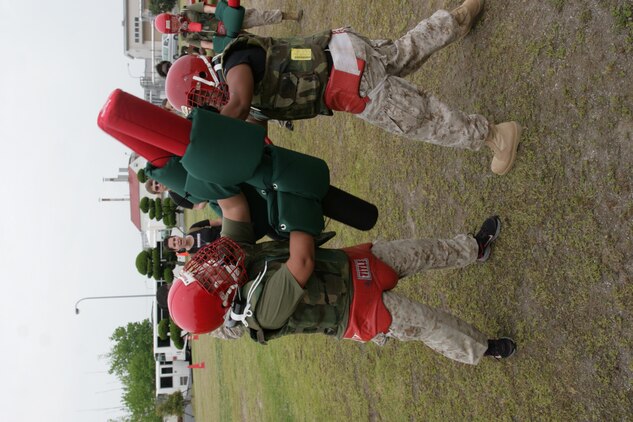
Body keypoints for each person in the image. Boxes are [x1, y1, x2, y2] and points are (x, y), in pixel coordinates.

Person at [167, 0, 519, 175]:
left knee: (421, 119)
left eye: (202, 101)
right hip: (346, 53)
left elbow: (240, 104)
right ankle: (454, 21)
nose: (210, 106)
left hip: (348, 80)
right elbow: (253, 124)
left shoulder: (231, 63)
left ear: (200, 80)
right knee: (403, 53)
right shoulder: (237, 87)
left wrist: (211, 141)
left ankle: (495, 136)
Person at [167, 194, 517, 365]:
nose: (209, 265)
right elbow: (300, 262)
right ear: (221, 300)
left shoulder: (235, 263)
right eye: (206, 279)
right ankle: (484, 349)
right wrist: (298, 200)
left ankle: (475, 248)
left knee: (421, 251)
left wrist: (206, 175)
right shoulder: (258, 311)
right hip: (357, 309)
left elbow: (234, 208)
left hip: (352, 264)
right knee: (430, 324)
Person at [154, 1, 303, 54]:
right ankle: (287, 46)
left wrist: (226, 14)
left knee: (259, 17)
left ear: (171, 16)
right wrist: (224, 45)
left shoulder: (187, 10)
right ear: (172, 31)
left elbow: (207, 9)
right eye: (172, 27)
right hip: (226, 37)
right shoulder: (186, 37)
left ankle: (292, 16)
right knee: (259, 43)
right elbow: (205, 44)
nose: (175, 24)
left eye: (172, 21)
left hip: (227, 21)